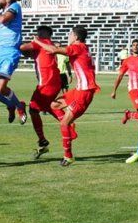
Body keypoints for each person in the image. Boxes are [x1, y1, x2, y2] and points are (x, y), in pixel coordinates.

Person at [34, 26, 99, 167]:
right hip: (79, 90)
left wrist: (37, 41)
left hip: (84, 92)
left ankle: (68, 156)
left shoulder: (78, 47)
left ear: (75, 37)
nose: (68, 36)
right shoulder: (83, 47)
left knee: (64, 123)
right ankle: (71, 131)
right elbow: (63, 49)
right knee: (53, 105)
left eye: (70, 34)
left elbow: (52, 50)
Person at [19, 26, 63, 159]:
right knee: (46, 107)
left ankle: (66, 125)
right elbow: (29, 52)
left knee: (34, 109)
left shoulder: (41, 43)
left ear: (45, 34)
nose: (37, 34)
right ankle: (44, 141)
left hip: (47, 83)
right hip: (52, 82)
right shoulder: (46, 45)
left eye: (39, 32)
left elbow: (21, 48)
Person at [111, 39, 138, 131]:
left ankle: (129, 115)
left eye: (137, 45)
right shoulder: (127, 61)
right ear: (131, 47)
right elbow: (120, 76)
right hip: (134, 89)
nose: (135, 47)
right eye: (134, 45)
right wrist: (114, 91)